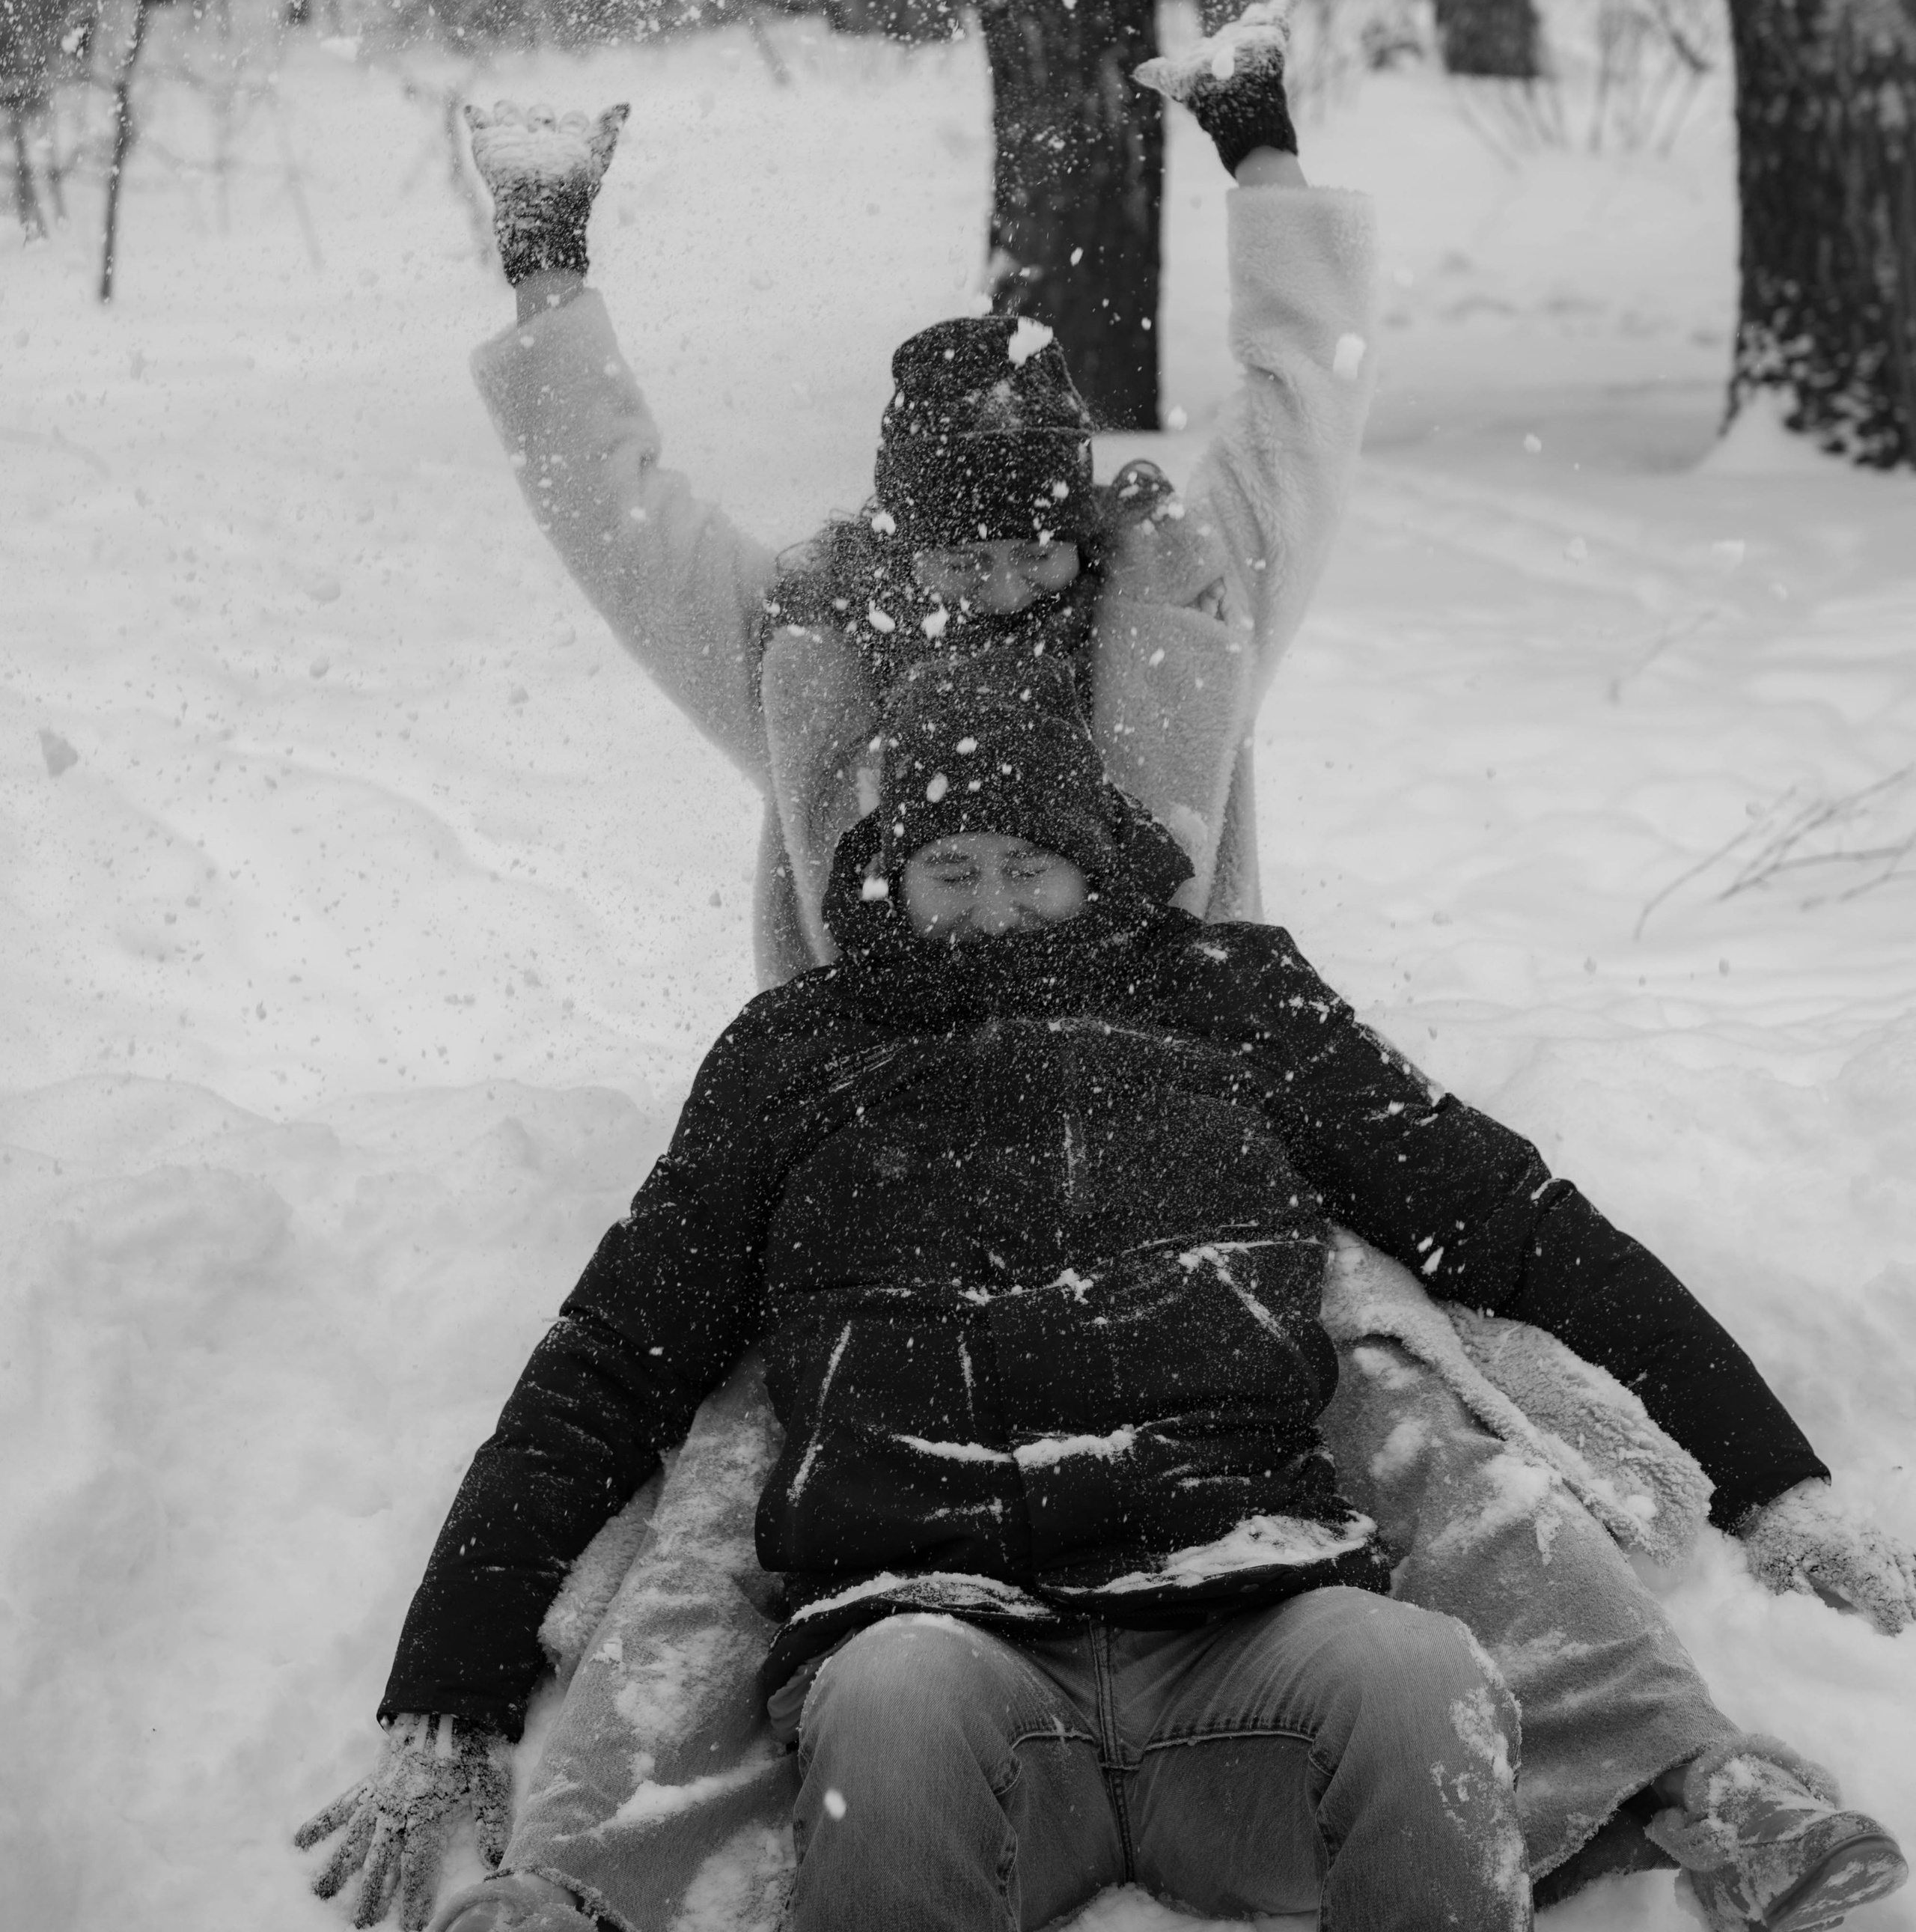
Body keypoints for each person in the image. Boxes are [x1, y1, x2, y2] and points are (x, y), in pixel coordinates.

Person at [299, 667, 1909, 1932]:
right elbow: (605, 1369)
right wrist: (443, 1696)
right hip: (933, 1638)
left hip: (1250, 1620)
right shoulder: (796, 1053)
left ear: (1097, 862)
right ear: (883, 881)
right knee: (895, 1704)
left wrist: (1769, 1476)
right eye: (948, 868)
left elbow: (1520, 1224)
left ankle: (1693, 1780)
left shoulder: (1230, 1000)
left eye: (1028, 863)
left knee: (1412, 1676)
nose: (989, 905)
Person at [460, 0, 1376, 984]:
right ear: (906, 548)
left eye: (1036, 553)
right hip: (882, 1101)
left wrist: (1261, 148)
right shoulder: (820, 650)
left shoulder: (1178, 609)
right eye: (965, 562)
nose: (1007, 588)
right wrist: (544, 259)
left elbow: (1305, 413)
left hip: (1165, 1091)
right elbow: (618, 520)